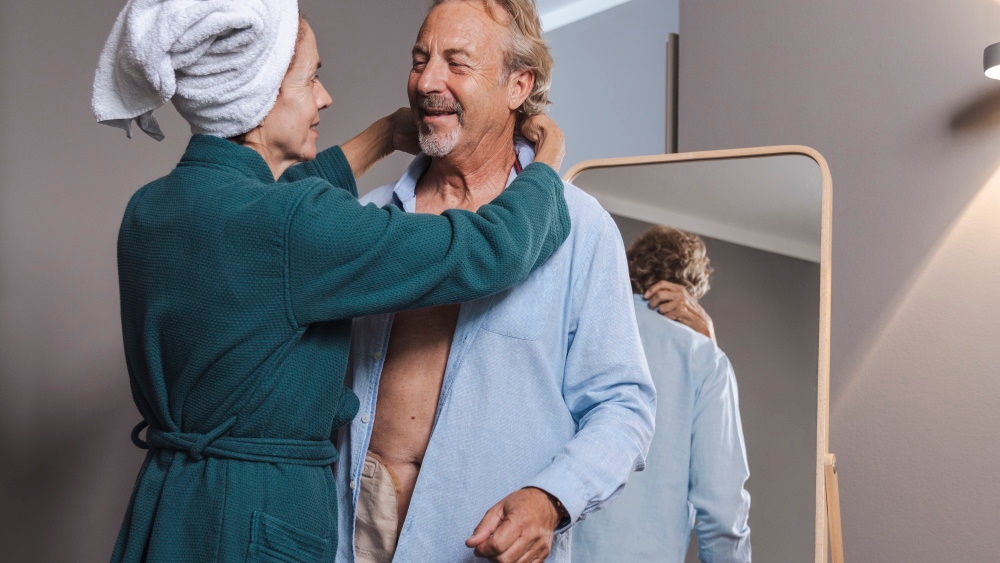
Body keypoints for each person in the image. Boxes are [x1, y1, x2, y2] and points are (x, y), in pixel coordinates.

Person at [92, 0, 573, 560]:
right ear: (259, 95)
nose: (324, 97)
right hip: (255, 515)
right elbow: (490, 250)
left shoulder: (152, 209)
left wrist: (384, 135)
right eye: (310, 78)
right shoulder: (290, 226)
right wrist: (548, 160)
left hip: (166, 505)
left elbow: (271, 211)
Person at [333, 1, 656, 561]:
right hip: (351, 533)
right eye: (420, 59)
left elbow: (623, 406)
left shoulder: (581, 230)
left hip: (482, 541)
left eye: (457, 63)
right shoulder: (368, 218)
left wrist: (552, 498)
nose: (426, 82)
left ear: (518, 85)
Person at [572, 225, 751, 562]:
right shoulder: (704, 359)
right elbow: (722, 508)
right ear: (691, 296)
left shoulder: (578, 331)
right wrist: (708, 348)